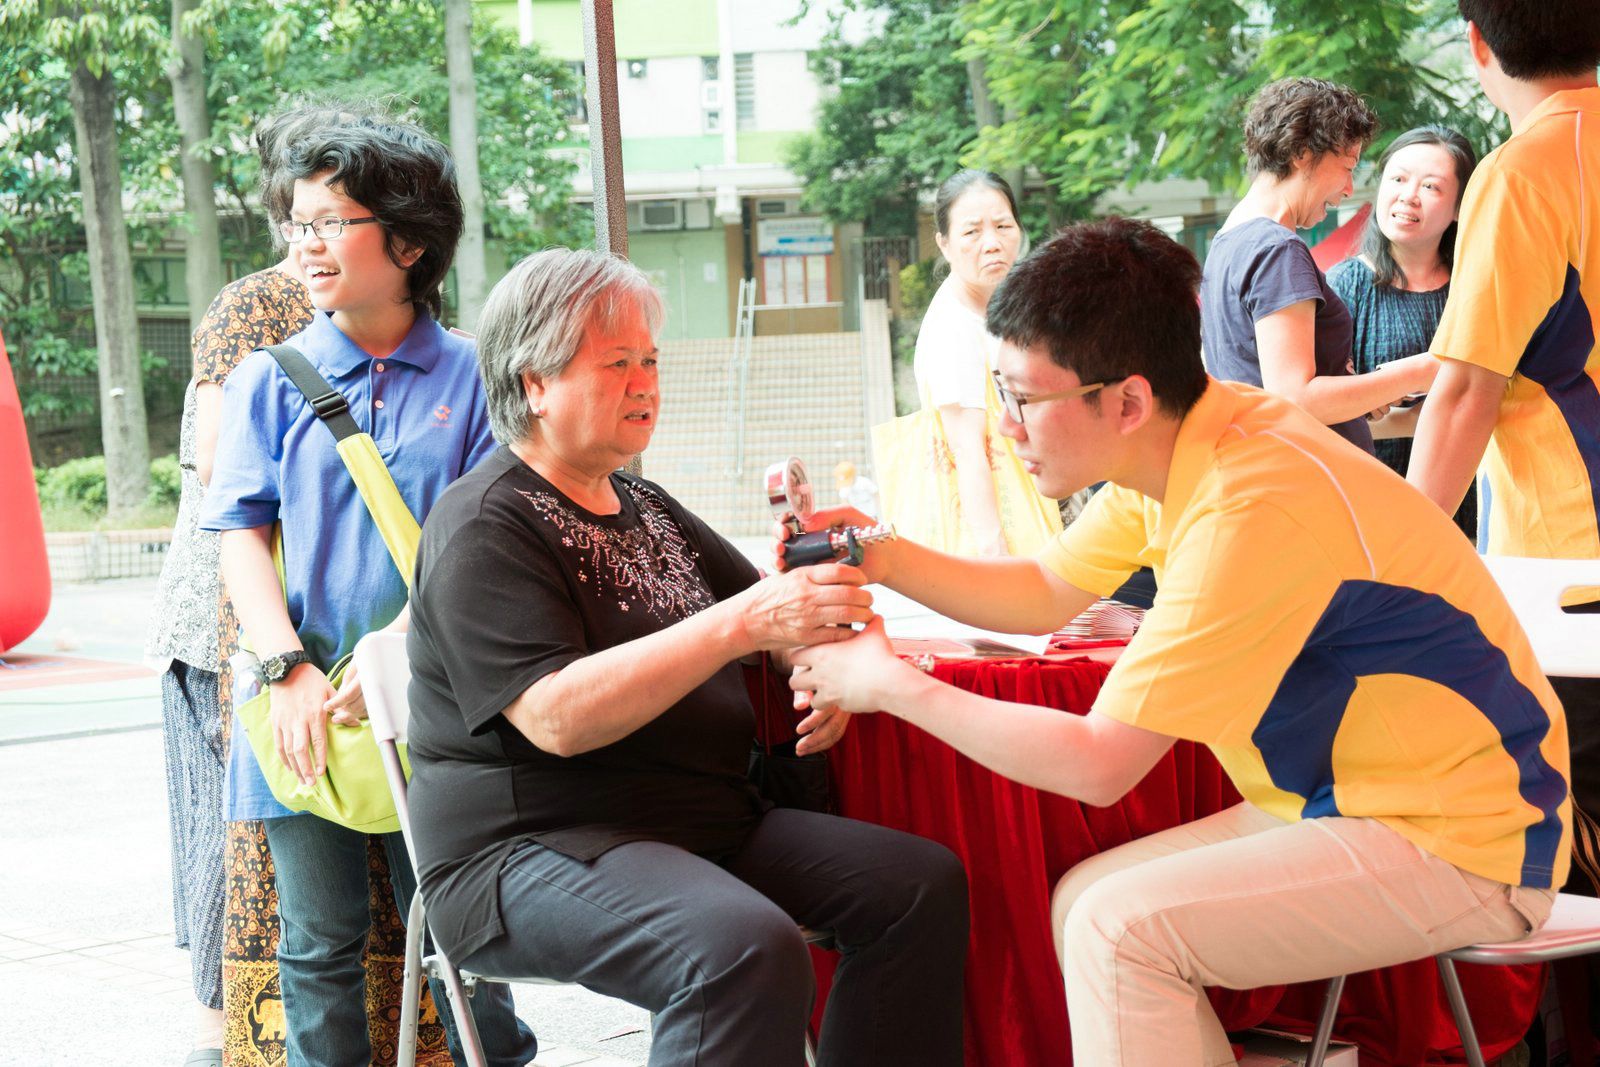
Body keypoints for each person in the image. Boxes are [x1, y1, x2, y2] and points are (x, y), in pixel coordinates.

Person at [783, 218, 1569, 1066]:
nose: (1005, 427)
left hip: (1471, 832)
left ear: (1126, 401)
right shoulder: (1186, 439)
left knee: (1120, 929)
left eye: (1024, 399)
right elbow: (1043, 589)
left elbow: (1099, 764)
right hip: (1352, 799)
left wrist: (891, 684)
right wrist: (881, 552)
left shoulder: (1246, 506)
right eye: (1000, 392)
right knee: (1088, 901)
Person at [404, 248, 969, 1067]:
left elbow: (773, 624)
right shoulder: (485, 521)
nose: (646, 384)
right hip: (533, 847)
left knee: (917, 886)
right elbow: (556, 716)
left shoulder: (647, 503)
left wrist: (820, 668)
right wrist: (742, 624)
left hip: (697, 821)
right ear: (535, 383)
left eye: (652, 361)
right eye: (617, 364)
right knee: (740, 947)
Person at [199, 119, 534, 1066]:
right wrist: (288, 668)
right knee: (317, 941)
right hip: (300, 702)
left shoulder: (474, 376)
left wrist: (397, 654)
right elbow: (240, 536)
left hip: (437, 700)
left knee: (466, 931)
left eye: (332, 222)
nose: (305, 244)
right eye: (296, 223)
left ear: (410, 242)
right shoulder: (269, 380)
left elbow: (485, 544)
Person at [143, 103, 327, 1067]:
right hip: (223, 625)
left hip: (307, 619)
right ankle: (222, 1046)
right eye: (312, 209)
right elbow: (221, 469)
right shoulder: (255, 306)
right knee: (231, 851)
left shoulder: (386, 309)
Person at [1406, 3, 1600, 898]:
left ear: (1478, 42)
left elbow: (1465, 388)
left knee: (1578, 848)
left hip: (1570, 567)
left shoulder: (1525, 169)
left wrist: (1399, 556)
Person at [1202, 77, 1436, 454]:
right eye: (1347, 167)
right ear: (1302, 153)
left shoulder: (1228, 241)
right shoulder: (1277, 249)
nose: (1349, 188)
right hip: (1303, 475)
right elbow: (1296, 398)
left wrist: (1365, 395)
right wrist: (1422, 370)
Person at [1327, 125, 1478, 536]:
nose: (1408, 195)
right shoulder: (1344, 286)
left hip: (1472, 507)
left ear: (1459, 207)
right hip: (1374, 510)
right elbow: (1323, 416)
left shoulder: (1475, 286)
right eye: (1398, 179)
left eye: (1430, 186)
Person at [901, 169, 1061, 555]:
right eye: (972, 232)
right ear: (944, 244)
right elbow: (967, 449)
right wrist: (995, 554)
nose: (992, 244)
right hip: (1002, 537)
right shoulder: (952, 327)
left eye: (1003, 226)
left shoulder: (1003, 307)